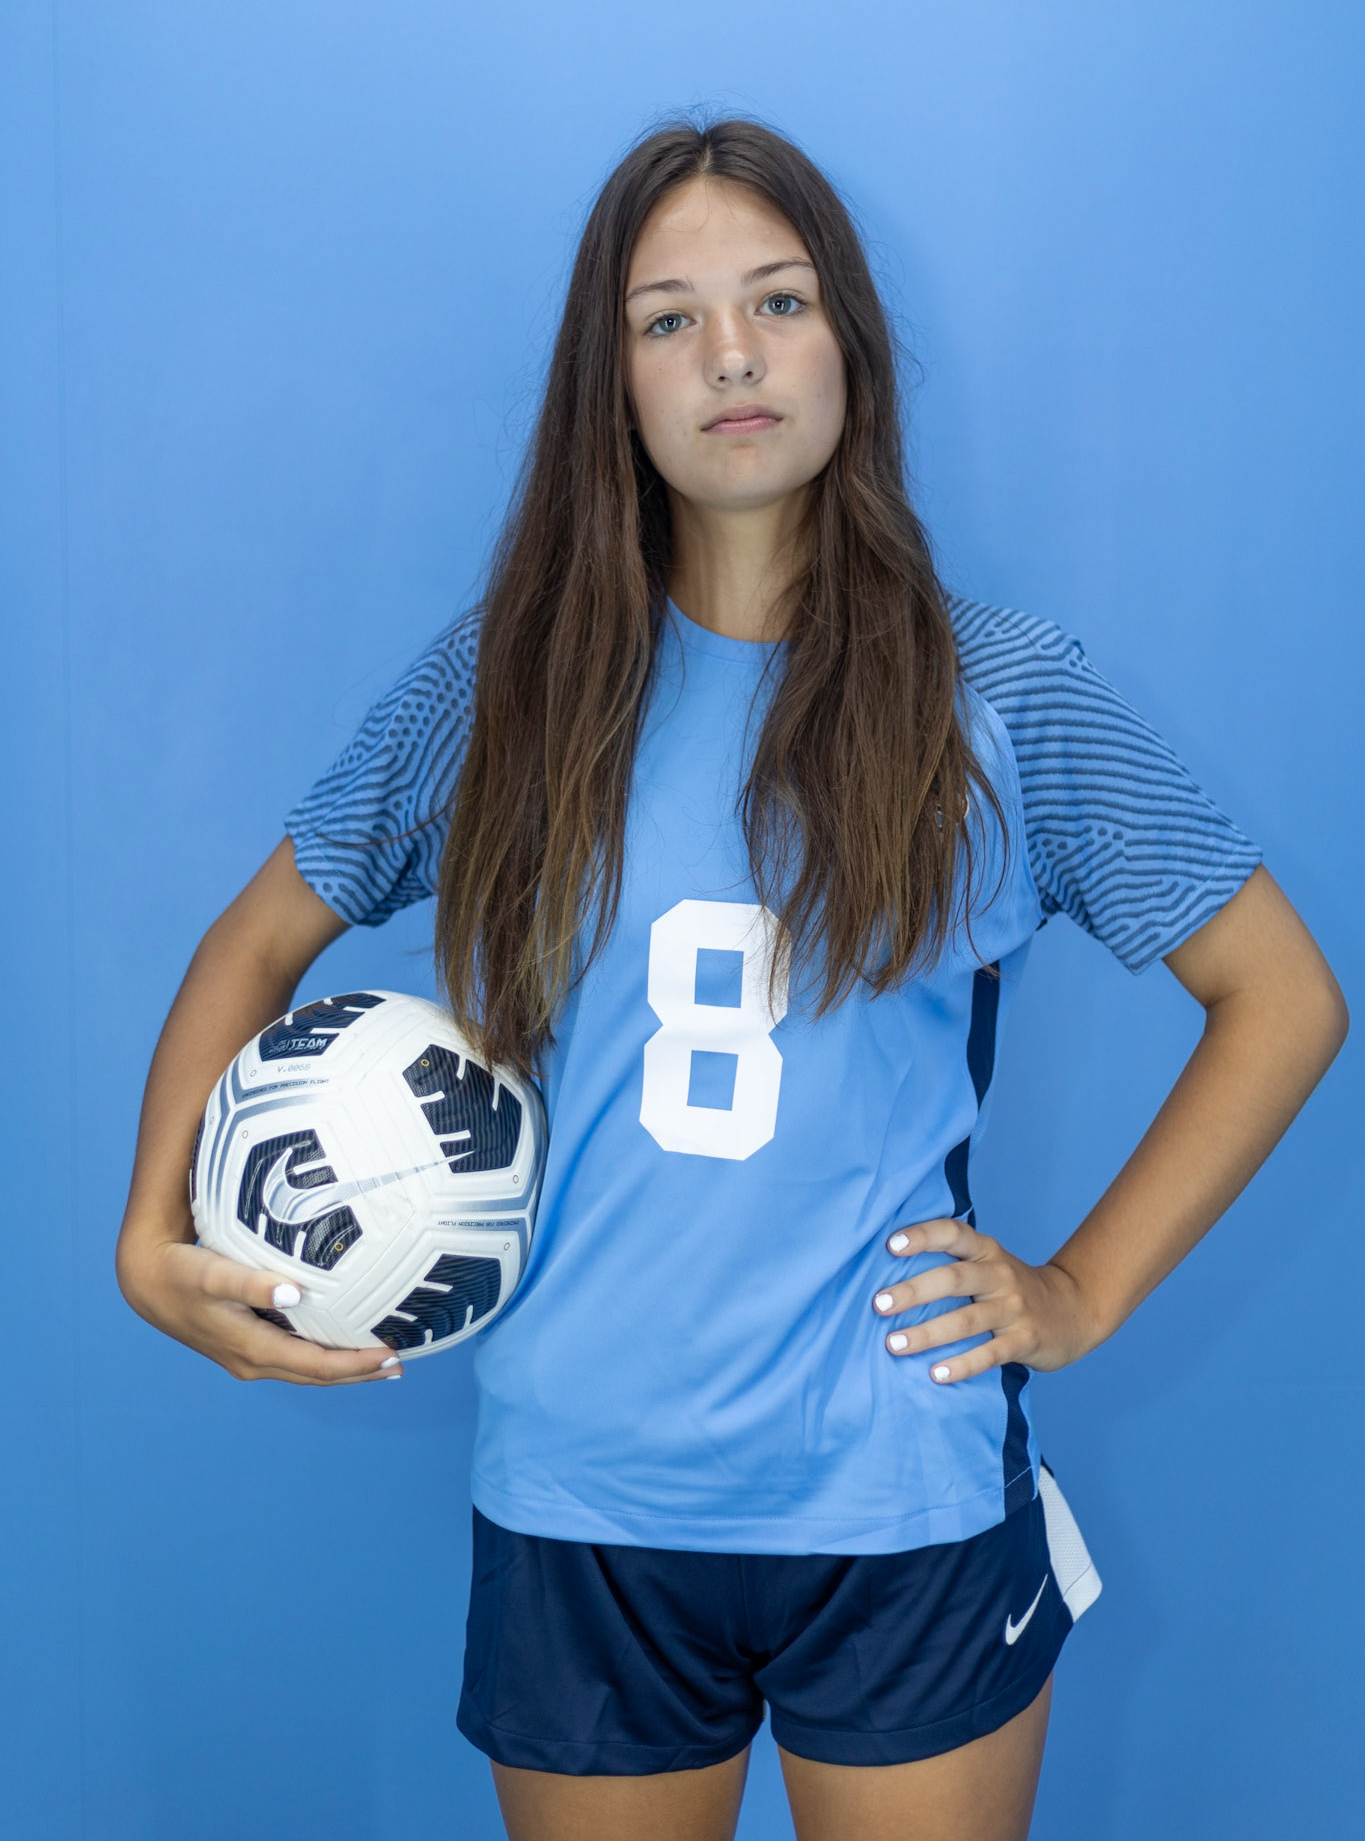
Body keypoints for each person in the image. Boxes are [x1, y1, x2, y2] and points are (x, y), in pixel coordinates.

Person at [117, 117, 1348, 1841]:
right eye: (666, 319)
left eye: (777, 300)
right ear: (609, 381)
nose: (732, 354)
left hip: (899, 1497)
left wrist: (1078, 1291)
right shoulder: (508, 689)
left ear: (848, 339)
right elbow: (255, 937)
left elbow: (1283, 995)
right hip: (578, 1498)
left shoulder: (1000, 694)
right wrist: (151, 1232)